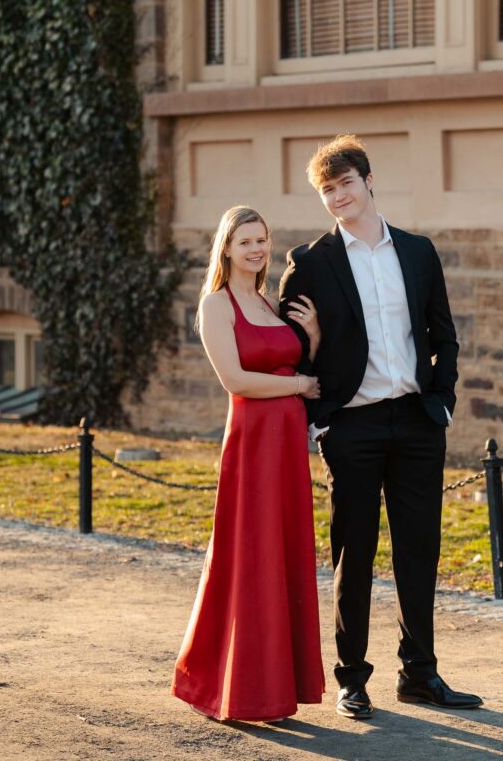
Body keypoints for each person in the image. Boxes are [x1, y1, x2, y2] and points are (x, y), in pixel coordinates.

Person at [279, 135, 483, 720]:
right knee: (355, 554)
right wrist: (319, 411)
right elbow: (291, 347)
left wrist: (440, 400)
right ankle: (352, 679)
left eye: (345, 183)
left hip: (418, 422)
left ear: (369, 182)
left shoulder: (418, 252)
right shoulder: (311, 263)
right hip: (353, 427)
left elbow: (443, 334)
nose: (338, 196)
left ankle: (420, 673)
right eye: (327, 190)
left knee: (419, 552)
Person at [172, 205, 325, 723]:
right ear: (227, 249)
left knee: (281, 555)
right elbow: (236, 381)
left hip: (286, 443)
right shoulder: (217, 304)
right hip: (253, 442)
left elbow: (291, 364)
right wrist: (299, 385)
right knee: (249, 556)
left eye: (262, 240)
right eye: (245, 242)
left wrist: (314, 343)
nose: (256, 249)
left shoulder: (268, 301)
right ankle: (235, 686)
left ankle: (279, 685)